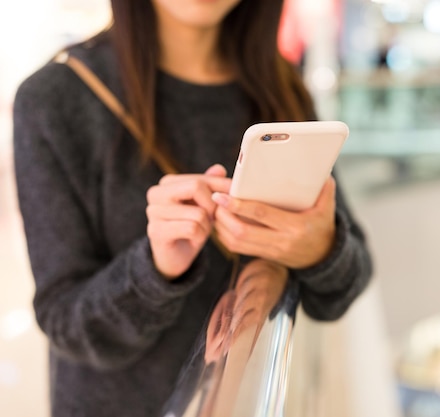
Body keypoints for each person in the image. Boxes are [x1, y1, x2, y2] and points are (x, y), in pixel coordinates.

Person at [12, 1, 373, 416]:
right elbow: (65, 321)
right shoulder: (55, 99)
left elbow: (352, 278)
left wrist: (319, 248)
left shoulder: (278, 83)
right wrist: (154, 269)